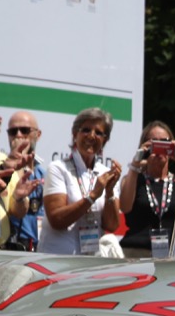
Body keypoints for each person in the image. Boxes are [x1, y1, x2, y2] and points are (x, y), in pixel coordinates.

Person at [38, 107, 122, 255]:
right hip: (57, 258)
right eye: (86, 130)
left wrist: (109, 192)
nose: (91, 136)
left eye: (99, 132)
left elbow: (112, 225)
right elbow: (56, 220)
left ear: (105, 139)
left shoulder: (105, 173)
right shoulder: (58, 168)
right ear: (75, 134)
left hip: (90, 262)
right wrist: (92, 196)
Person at [118, 121, 175, 257]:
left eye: (165, 142)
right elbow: (125, 206)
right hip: (135, 252)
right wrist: (136, 162)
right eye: (154, 143)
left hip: (170, 256)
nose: (160, 148)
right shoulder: (132, 179)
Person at [1, 110, 46, 250]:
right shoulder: (0, 170)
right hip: (11, 248)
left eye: (25, 130)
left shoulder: (44, 174)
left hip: (39, 250)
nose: (19, 135)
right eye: (13, 132)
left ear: (37, 135)